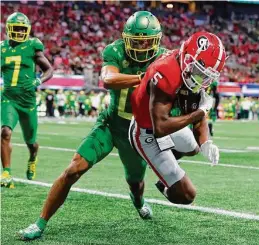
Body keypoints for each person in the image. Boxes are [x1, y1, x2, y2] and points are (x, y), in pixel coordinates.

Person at [18, 11, 167, 240]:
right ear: (126, 39)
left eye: (146, 41)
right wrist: (145, 77)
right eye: (136, 41)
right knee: (72, 170)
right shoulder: (115, 50)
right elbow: (108, 79)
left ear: (157, 40)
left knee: (136, 183)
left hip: (137, 132)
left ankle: (138, 201)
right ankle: (39, 223)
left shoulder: (166, 59)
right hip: (111, 125)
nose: (141, 46)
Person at [129, 31, 226, 204]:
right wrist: (200, 112)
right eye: (198, 71)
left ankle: (163, 165)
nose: (201, 79)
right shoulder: (165, 72)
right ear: (187, 57)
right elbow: (160, 128)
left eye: (206, 76)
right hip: (146, 131)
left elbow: (198, 116)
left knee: (194, 147)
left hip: (167, 124)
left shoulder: (192, 73)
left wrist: (206, 142)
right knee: (187, 196)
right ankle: (161, 175)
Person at [1, 12, 53, 188]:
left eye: (22, 29)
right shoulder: (2, 48)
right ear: (8, 29)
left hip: (28, 102)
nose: (19, 32)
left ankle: (32, 157)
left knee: (31, 142)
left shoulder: (33, 45)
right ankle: (6, 173)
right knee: (5, 132)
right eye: (16, 29)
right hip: (8, 99)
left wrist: (38, 80)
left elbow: (49, 69)